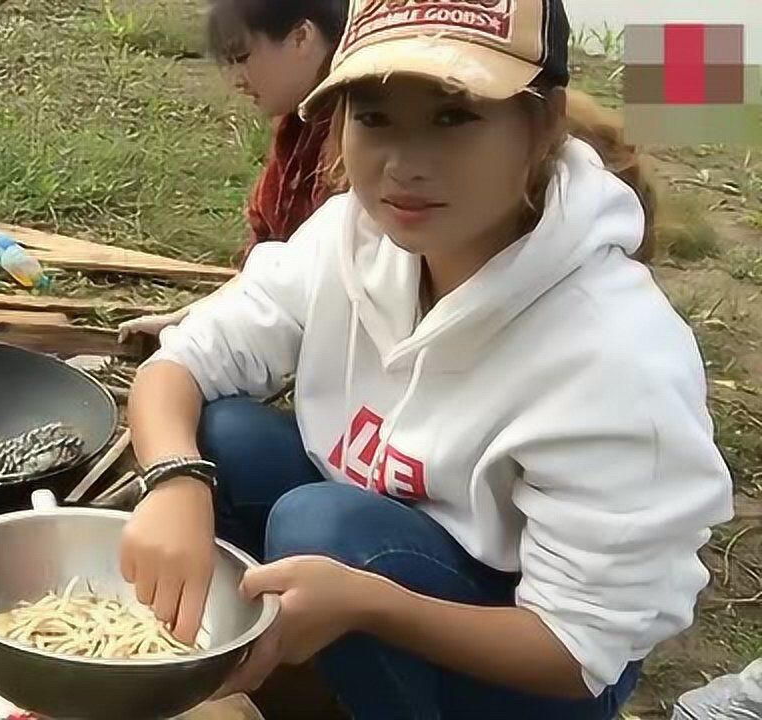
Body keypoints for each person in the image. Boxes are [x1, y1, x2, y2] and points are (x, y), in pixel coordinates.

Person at [119, 0, 736, 717]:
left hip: (531, 661)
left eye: (454, 116)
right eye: (375, 118)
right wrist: (174, 483)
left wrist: (371, 607)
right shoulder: (350, 237)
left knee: (324, 528)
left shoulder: (617, 355)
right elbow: (180, 365)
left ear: (540, 126)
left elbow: (577, 652)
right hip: (383, 541)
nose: (405, 166)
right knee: (221, 438)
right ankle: (296, 674)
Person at [118, 0, 351, 342]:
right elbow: (274, 265)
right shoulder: (297, 128)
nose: (236, 81)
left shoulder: (352, 139)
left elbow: (322, 277)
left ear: (301, 37)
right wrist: (190, 319)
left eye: (242, 58)